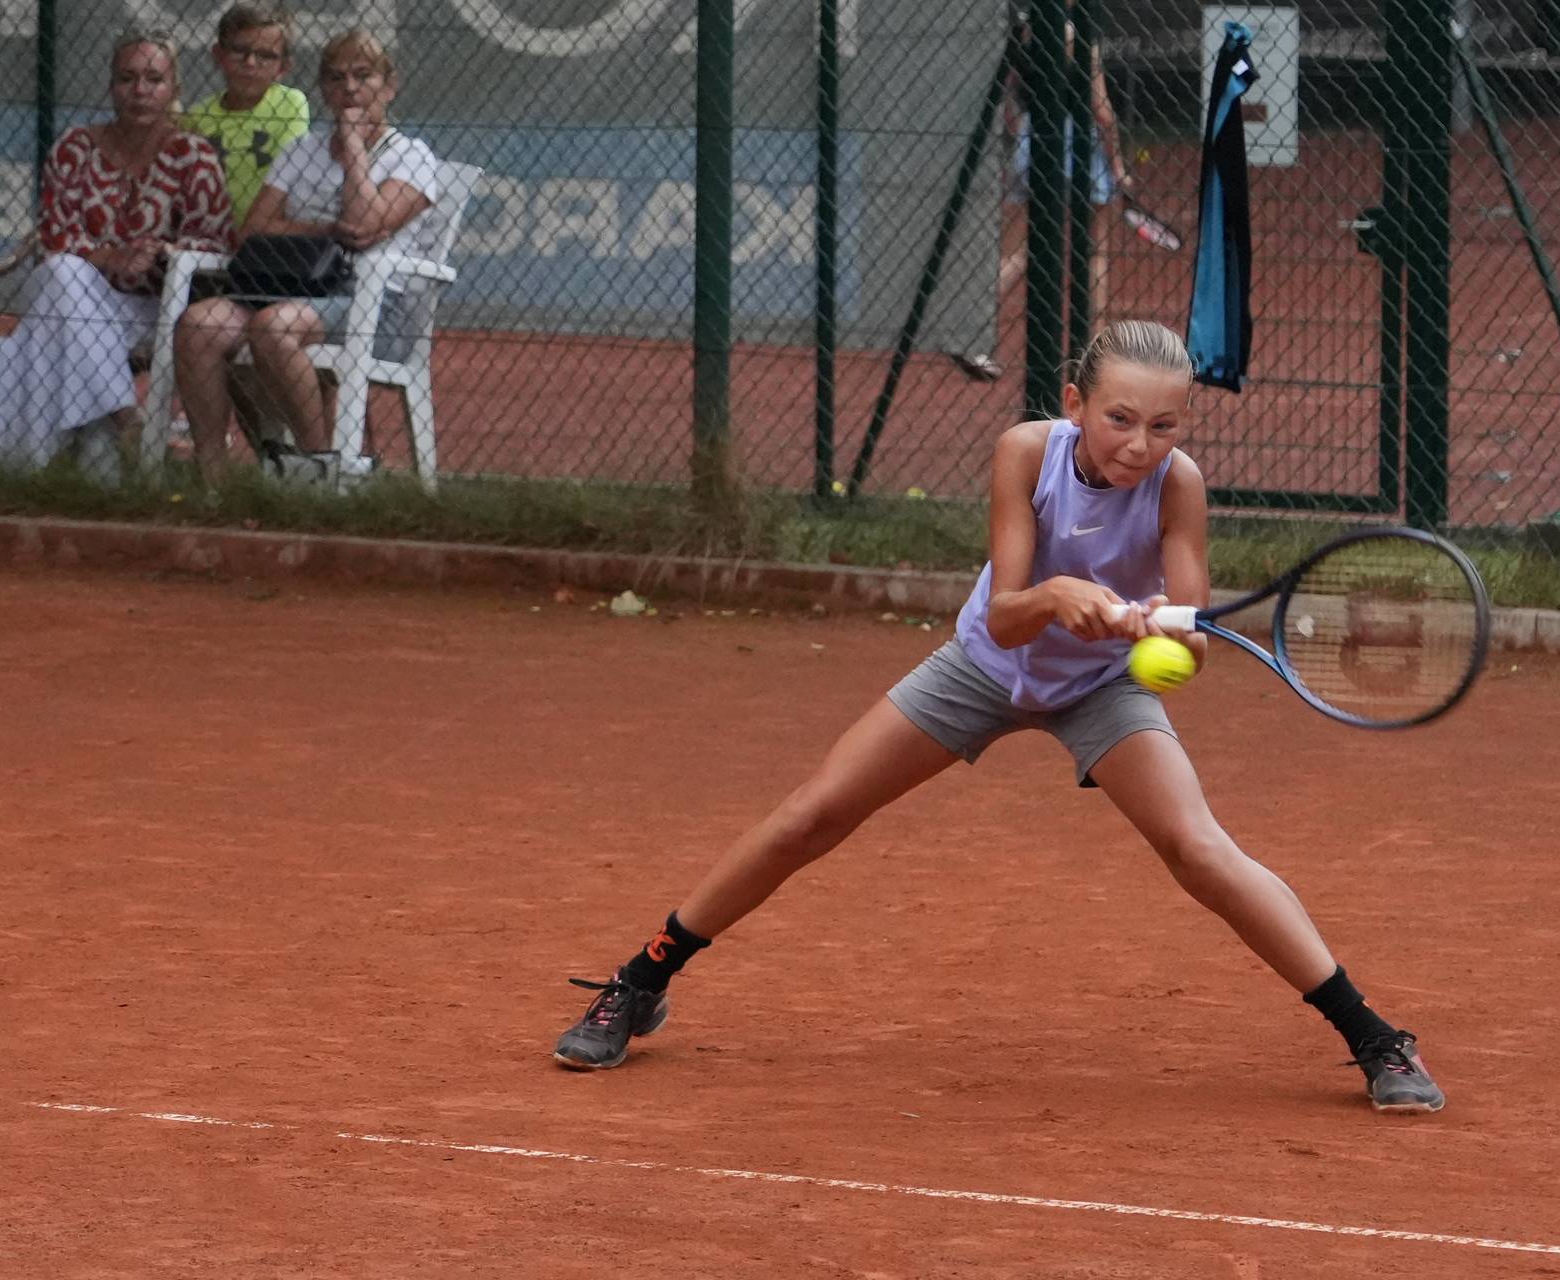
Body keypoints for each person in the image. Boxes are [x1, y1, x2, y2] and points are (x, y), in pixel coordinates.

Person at [550, 320, 1446, 1116]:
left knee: (1199, 849)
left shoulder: (1179, 486)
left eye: (1165, 425)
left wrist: (1153, 632)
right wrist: (1064, 594)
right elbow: (1011, 609)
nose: (1140, 444)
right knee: (812, 815)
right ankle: (641, 980)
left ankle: (1373, 1035)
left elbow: (1193, 643)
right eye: (1121, 418)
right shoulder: (1027, 451)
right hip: (984, 667)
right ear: (1075, 405)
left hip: (1102, 686)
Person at [173, 28, 445, 487]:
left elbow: (363, 230)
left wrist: (355, 148)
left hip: (374, 306)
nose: (350, 89)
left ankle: (320, 469)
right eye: (337, 79)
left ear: (389, 85)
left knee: (274, 328)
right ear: (323, 89)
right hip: (289, 286)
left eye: (363, 76)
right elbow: (254, 229)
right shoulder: (301, 151)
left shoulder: (412, 156)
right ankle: (213, 481)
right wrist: (324, 230)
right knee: (198, 326)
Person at [0, 32, 232, 474]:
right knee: (62, 274)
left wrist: (164, 251)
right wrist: (108, 258)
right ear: (111, 86)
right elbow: (55, 234)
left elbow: (215, 241)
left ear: (175, 89)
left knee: (50, 328)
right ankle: (126, 417)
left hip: (157, 305)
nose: (140, 90)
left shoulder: (194, 155)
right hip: (79, 295)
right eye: (127, 78)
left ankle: (45, 470)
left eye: (154, 79)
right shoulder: (74, 149)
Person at [955, 10, 1131, 383]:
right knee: (1094, 251)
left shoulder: (1024, 31)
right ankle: (1091, 353)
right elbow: (1101, 111)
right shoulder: (1080, 35)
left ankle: (968, 332)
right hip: (1078, 144)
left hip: (1030, 142)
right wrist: (1117, 166)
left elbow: (1008, 102)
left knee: (1017, 252)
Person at [179, 3, 311, 228]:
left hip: (269, 235)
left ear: (283, 67)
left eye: (265, 56)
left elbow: (287, 178)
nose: (250, 63)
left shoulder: (290, 103)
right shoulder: (198, 116)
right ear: (218, 55)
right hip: (211, 231)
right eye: (239, 51)